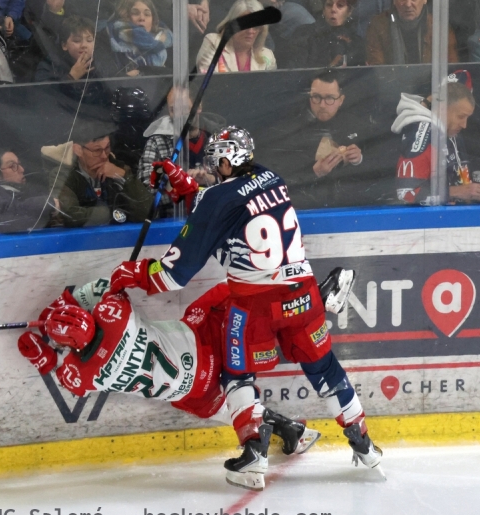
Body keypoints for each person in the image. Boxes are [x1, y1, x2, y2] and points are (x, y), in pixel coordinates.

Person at [107, 125, 383, 484]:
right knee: (325, 369)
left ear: (226, 158)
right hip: (303, 295)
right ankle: (364, 443)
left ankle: (254, 453)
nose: (214, 166)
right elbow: (235, 216)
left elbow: (173, 275)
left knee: (237, 375)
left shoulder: (218, 199)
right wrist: (192, 192)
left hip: (255, 307)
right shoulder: (272, 177)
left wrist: (133, 274)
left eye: (217, 160)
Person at [18, 277, 324, 491]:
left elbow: (62, 374)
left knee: (227, 408)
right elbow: (104, 287)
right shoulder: (114, 315)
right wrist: (62, 304)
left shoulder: (83, 373)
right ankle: (303, 306)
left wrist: (41, 353)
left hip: (189, 390)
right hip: (202, 345)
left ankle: (284, 433)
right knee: (227, 295)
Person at [266, 69, 371, 209]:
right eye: (316, 97)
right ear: (309, 98)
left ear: (341, 100)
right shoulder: (291, 130)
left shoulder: (357, 125)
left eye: (329, 98)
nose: (322, 105)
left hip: (350, 206)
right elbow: (277, 179)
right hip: (304, 208)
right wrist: (314, 173)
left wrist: (359, 160)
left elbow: (379, 169)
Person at [392, 71, 480, 204]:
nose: (464, 125)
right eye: (461, 117)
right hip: (429, 222)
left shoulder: (450, 130)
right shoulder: (423, 133)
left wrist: (469, 191)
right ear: (443, 109)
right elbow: (406, 193)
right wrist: (458, 192)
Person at [54, 120, 153, 227]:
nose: (104, 156)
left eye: (107, 148)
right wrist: (109, 213)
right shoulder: (63, 175)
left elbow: (148, 213)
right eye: (97, 151)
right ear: (78, 150)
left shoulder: (120, 169)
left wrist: (125, 177)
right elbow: (70, 216)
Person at [137, 87, 218, 216]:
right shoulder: (157, 142)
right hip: (173, 219)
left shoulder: (217, 137)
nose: (179, 114)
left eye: (184, 107)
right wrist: (182, 186)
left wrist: (211, 180)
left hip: (214, 216)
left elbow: (237, 181)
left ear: (199, 106)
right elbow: (145, 189)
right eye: (173, 109)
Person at [0, 149, 58, 232]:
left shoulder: (27, 191)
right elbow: (4, 215)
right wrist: (46, 203)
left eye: (19, 164)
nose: (22, 170)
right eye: (12, 166)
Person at [365, 0, 458, 65]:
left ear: (425, 0)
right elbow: (377, 68)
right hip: (391, 88)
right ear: (394, 1)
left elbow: (451, 67)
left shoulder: (439, 28)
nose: (408, 4)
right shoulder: (378, 25)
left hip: (431, 89)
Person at [96, 0, 173, 77]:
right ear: (124, 16)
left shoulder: (167, 45)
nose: (142, 18)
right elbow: (107, 79)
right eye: (135, 13)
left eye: (147, 14)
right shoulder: (107, 40)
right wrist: (125, 77)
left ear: (153, 20)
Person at [196, 0, 277, 73]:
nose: (250, 31)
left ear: (261, 29)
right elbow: (208, 84)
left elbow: (273, 88)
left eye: (256, 26)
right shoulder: (213, 43)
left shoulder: (267, 56)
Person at [284, 0, 366, 68]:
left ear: (349, 12)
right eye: (329, 5)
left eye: (340, 6)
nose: (333, 9)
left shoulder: (356, 42)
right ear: (323, 10)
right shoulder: (304, 34)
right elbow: (296, 73)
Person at [34, 15, 96, 82]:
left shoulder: (102, 64)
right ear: (64, 45)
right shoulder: (49, 66)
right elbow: (44, 90)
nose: (84, 45)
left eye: (89, 40)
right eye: (77, 40)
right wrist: (71, 77)